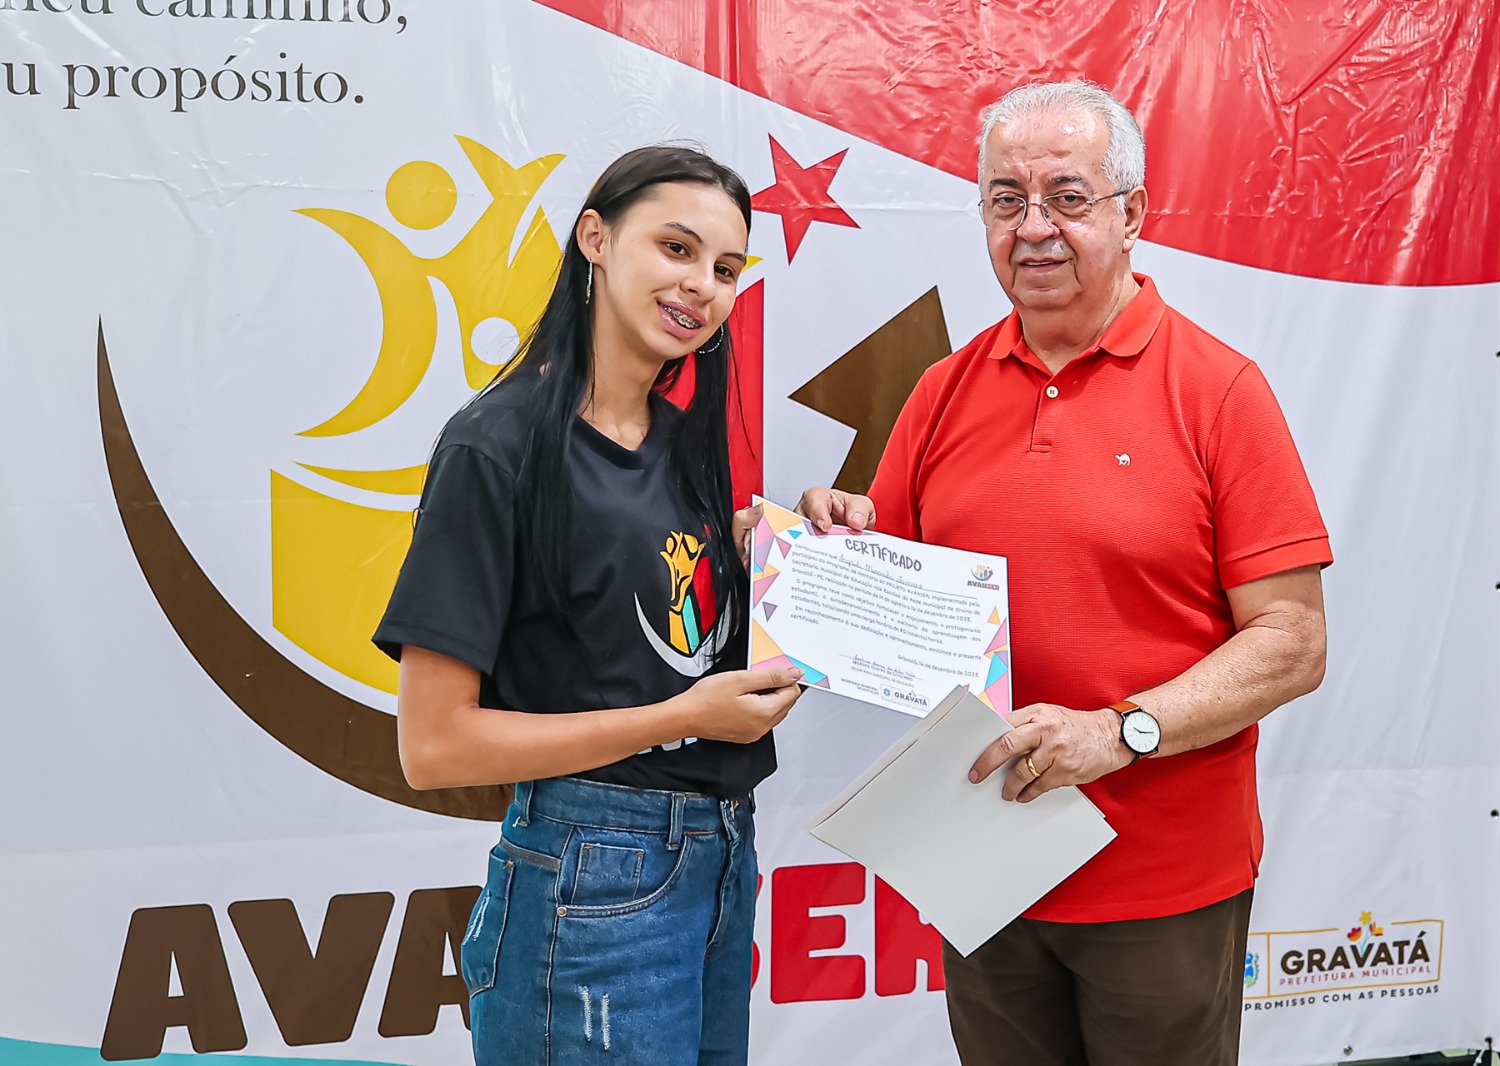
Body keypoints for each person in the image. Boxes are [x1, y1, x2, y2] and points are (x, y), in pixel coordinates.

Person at [801, 80, 1331, 1066]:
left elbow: (1294, 642)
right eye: (1006, 200)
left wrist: (1118, 732)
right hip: (982, 858)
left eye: (1068, 197)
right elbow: (897, 606)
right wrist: (837, 550)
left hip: (1163, 882)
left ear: (1132, 214)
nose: (1034, 227)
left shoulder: (1219, 391)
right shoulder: (942, 391)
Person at [373, 145, 803, 1065]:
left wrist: (793, 562)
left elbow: (656, 639)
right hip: (592, 875)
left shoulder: (681, 443)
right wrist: (682, 718)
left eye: (727, 268)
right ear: (596, 239)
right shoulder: (495, 446)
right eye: (677, 248)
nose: (702, 286)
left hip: (722, 860)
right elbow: (433, 747)